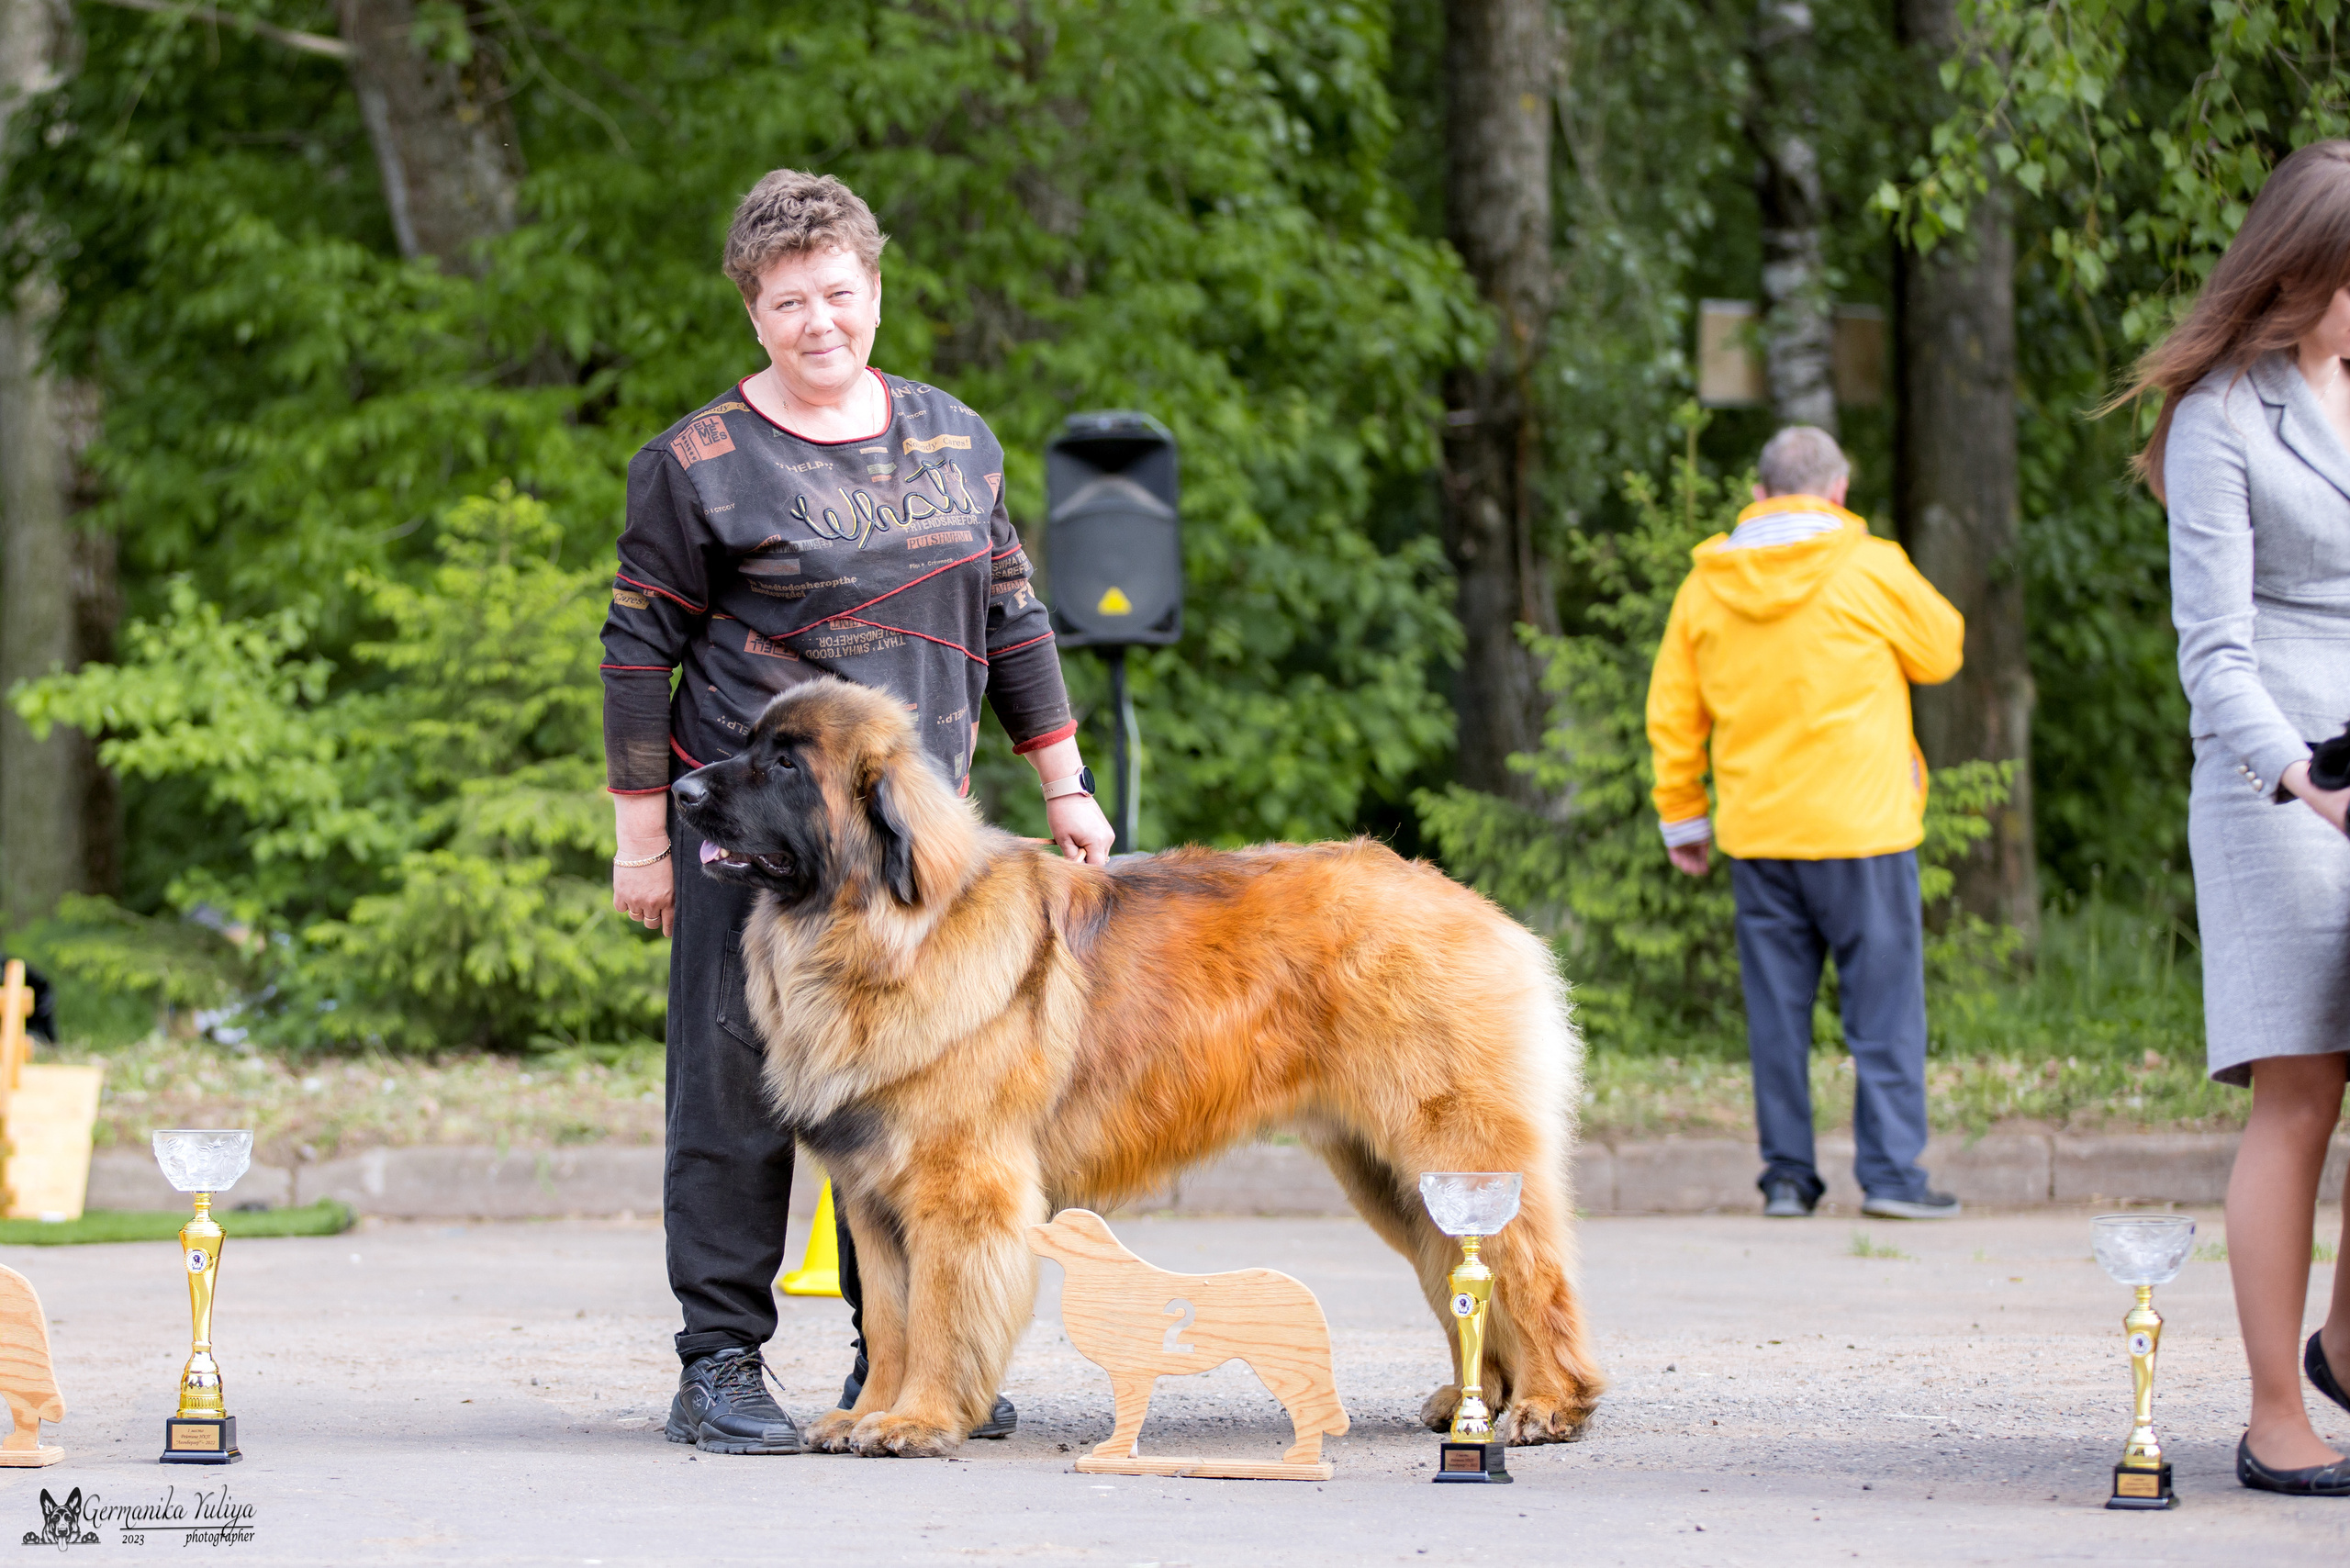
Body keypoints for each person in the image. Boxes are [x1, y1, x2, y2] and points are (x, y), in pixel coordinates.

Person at [600, 170, 1116, 1456]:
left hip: (921, 853)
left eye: (839, 293)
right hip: (756, 833)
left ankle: (908, 1363)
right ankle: (718, 1360)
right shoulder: (697, 463)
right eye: (789, 302)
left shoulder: (955, 436)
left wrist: (1066, 786)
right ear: (753, 311)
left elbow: (1013, 615)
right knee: (732, 1097)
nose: (818, 321)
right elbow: (633, 653)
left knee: (928, 1110)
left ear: (875, 290)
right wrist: (644, 835)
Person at [2137, 139, 2350, 1498]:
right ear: (2310, 273)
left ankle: (2346, 1342)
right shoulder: (2222, 416)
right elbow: (2213, 655)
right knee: (2303, 1090)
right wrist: (2309, 782)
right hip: (2277, 776)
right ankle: (2281, 1412)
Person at [1645, 425, 1965, 1221]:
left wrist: (1684, 816)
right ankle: (1891, 1177)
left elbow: (1673, 712)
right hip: (1866, 831)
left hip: (1759, 837)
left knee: (1777, 1018)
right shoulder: (1870, 567)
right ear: (1838, 491)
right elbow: (1944, 651)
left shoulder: (1706, 584)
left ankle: (1787, 1178)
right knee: (1884, 1014)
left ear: (1758, 496)